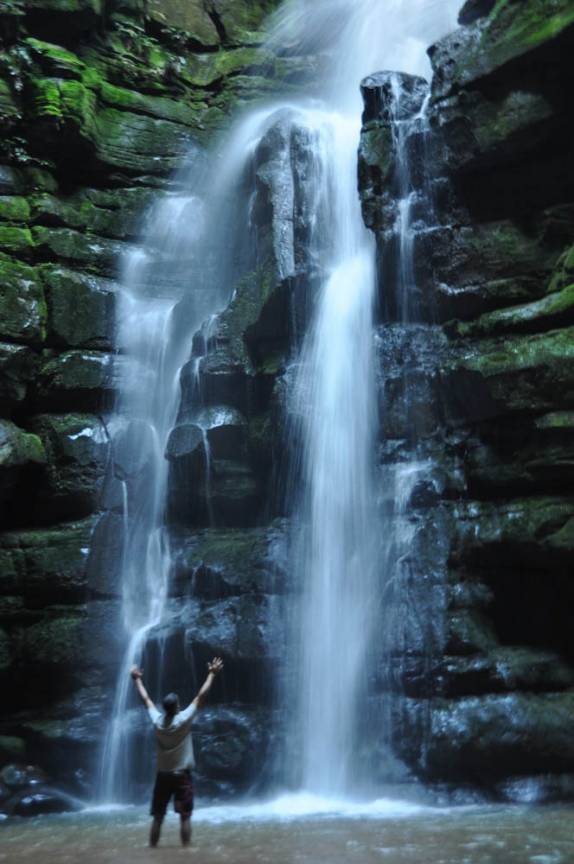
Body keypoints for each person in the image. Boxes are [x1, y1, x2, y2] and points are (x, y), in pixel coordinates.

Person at [130, 656, 224, 848]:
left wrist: (136, 679)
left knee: (158, 817)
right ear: (178, 707)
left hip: (163, 777)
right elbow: (200, 697)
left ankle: (152, 851)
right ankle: (185, 853)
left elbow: (146, 699)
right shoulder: (183, 720)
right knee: (184, 817)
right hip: (181, 777)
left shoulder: (157, 721)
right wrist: (212, 674)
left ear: (164, 709)